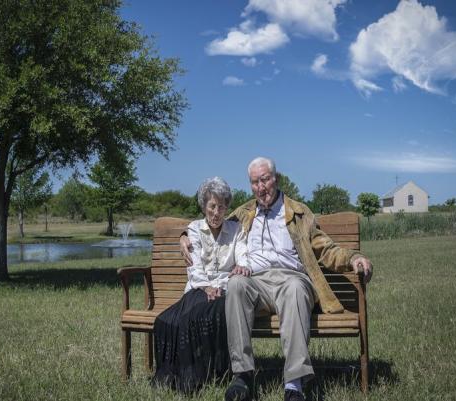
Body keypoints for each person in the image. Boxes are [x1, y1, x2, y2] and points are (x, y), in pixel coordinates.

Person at [180, 157, 373, 401]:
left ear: (276, 179)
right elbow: (213, 223)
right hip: (256, 281)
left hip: (291, 279)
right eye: (254, 182)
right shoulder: (244, 213)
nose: (261, 187)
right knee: (236, 284)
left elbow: (326, 248)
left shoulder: (299, 213)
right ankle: (242, 376)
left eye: (265, 180)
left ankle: (294, 384)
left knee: (293, 287)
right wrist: (184, 234)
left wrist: (353, 257)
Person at [153, 176, 250, 393]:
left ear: (227, 208)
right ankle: (184, 376)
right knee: (167, 321)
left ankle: (206, 375)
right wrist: (206, 287)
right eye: (212, 206)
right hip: (198, 288)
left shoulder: (236, 230)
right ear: (204, 206)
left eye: (222, 207)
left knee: (207, 312)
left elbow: (243, 257)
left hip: (225, 289)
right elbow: (194, 266)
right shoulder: (194, 229)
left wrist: (239, 269)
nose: (216, 213)